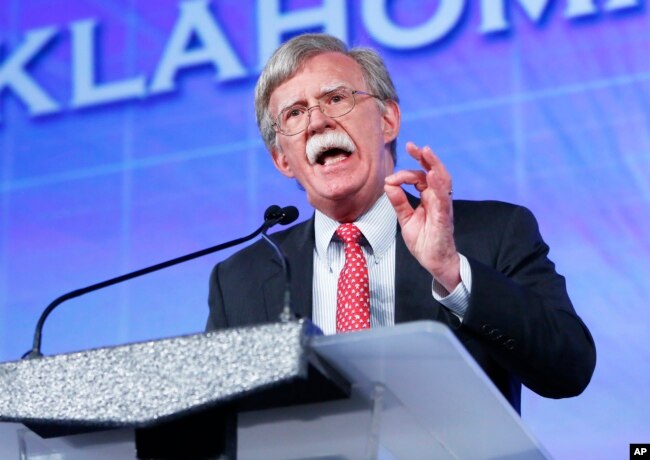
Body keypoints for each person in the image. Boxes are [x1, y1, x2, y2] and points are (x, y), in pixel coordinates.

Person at [206, 33, 596, 412]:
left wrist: (452, 272)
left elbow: (568, 370)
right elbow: (212, 423)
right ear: (283, 160)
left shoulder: (493, 231)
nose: (318, 122)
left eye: (336, 98)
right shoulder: (240, 279)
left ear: (388, 119)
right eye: (295, 113)